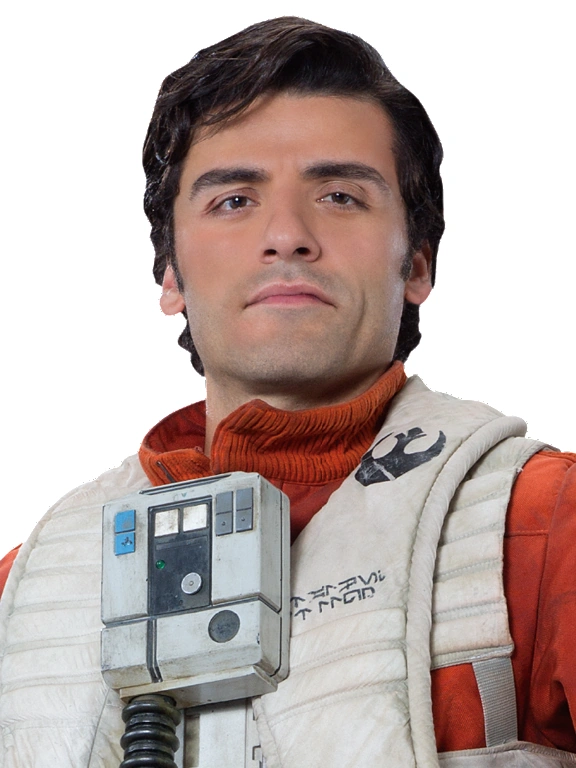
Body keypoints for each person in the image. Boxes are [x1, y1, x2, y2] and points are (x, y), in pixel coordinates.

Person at [0, 16, 574, 768]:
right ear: (171, 275)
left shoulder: (543, 528)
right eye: (234, 200)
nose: (287, 234)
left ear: (417, 265)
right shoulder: (26, 589)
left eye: (339, 195)